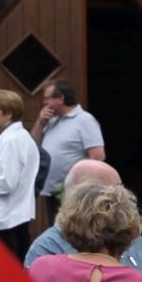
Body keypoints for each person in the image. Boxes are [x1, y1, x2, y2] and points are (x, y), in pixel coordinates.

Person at [25, 160, 142, 278]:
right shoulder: (46, 250)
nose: (124, 199)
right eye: (114, 192)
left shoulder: (138, 242)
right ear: (83, 200)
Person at [0, 89, 40, 260]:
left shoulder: (11, 141)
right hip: (13, 216)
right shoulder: (20, 137)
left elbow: (6, 184)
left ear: (9, 113)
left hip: (5, 219)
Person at [32, 80, 105, 218]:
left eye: (47, 98)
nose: (44, 102)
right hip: (51, 191)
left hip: (72, 192)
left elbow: (97, 156)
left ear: (60, 98)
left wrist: (82, 186)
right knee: (56, 228)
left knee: (71, 228)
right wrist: (40, 123)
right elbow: (33, 144)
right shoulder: (52, 121)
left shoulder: (85, 120)